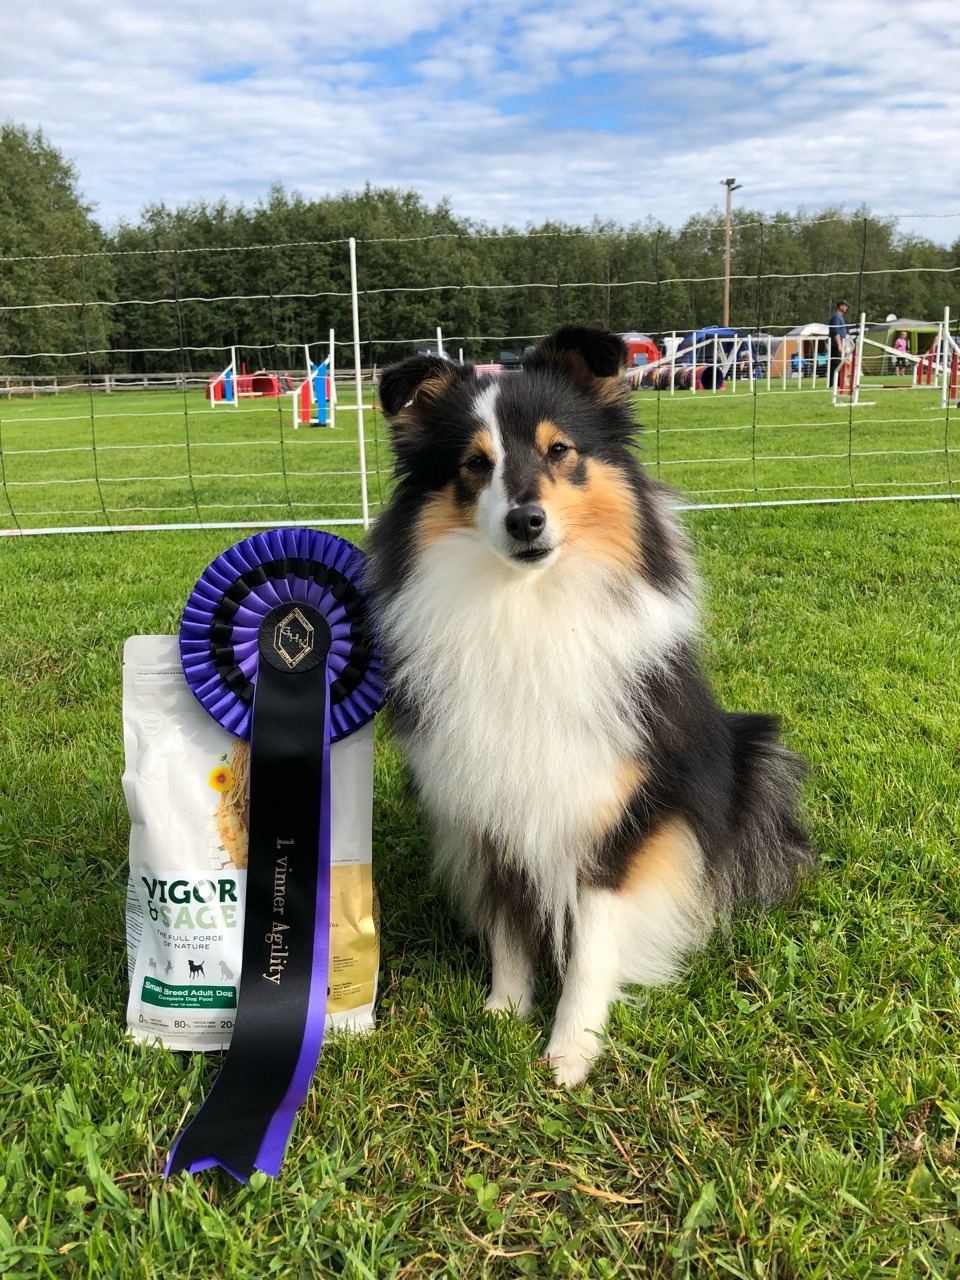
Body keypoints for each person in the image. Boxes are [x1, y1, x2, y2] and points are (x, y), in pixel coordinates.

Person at [827, 299, 849, 388]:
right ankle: (833, 383)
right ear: (840, 306)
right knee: (836, 364)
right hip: (835, 344)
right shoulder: (836, 317)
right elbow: (835, 331)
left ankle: (839, 382)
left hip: (840, 343)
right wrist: (839, 345)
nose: (846, 307)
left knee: (839, 363)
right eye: (845, 305)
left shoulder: (840, 316)